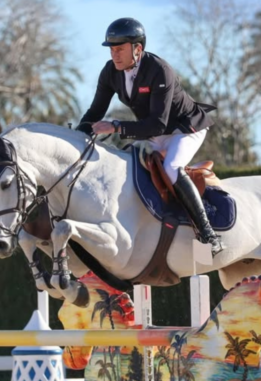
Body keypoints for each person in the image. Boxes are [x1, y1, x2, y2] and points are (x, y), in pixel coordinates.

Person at [74, 17, 224, 256]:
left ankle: (209, 235)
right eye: (111, 49)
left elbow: (157, 124)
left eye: (120, 49)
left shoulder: (159, 70)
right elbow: (95, 112)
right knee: (125, 164)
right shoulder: (110, 72)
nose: (114, 55)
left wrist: (116, 126)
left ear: (138, 48)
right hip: (155, 132)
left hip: (185, 128)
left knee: (172, 167)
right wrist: (76, 136)